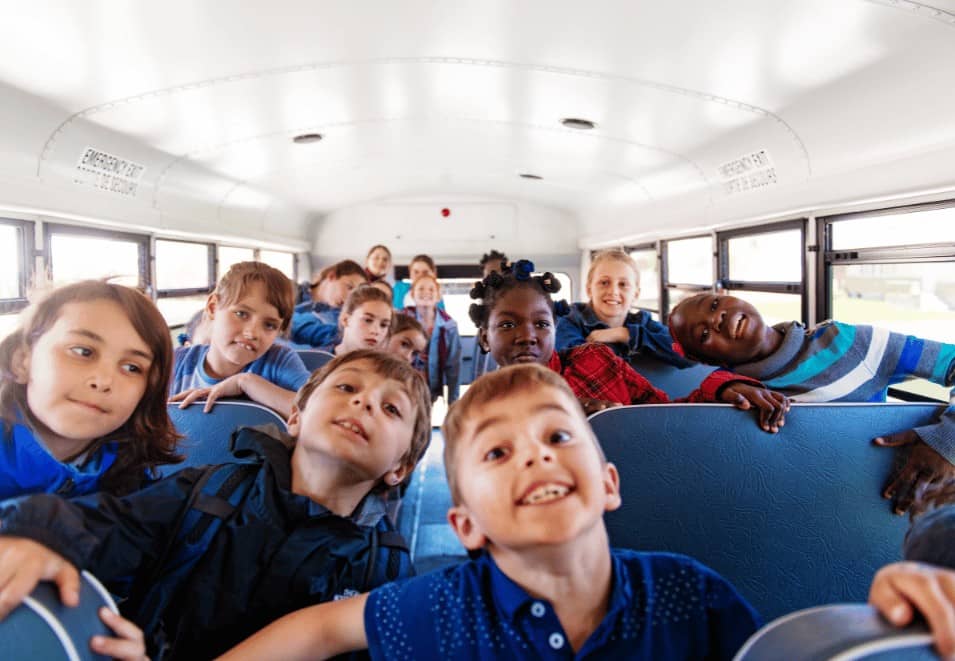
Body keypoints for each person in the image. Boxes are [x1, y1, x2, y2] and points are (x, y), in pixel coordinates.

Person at [219, 363, 761, 660]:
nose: (535, 453)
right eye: (498, 452)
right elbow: (319, 631)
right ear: (465, 525)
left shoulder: (688, 594)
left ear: (608, 483)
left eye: (558, 434)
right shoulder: (441, 608)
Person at [0, 350, 432, 660]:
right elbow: (106, 527)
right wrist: (38, 534)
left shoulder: (386, 570)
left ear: (400, 468)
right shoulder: (206, 492)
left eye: (391, 408)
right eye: (346, 387)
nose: (365, 402)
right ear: (296, 416)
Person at [667, 292, 955, 513]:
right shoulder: (729, 396)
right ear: (707, 361)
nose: (716, 319)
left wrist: (947, 441)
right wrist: (720, 386)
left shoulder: (851, 343)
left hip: (882, 508)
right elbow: (669, 423)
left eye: (715, 305)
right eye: (704, 334)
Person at [470, 260, 789, 430]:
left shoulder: (594, 359)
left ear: (555, 328)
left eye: (541, 324)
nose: (528, 335)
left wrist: (721, 389)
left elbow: (664, 416)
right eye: (508, 325)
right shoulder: (482, 408)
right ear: (485, 337)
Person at [0, 280, 181, 500]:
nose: (103, 380)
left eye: (131, 368)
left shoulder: (131, 471)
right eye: (82, 351)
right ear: (21, 362)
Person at [170, 261, 310, 418]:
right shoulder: (177, 362)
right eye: (241, 314)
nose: (252, 333)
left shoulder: (279, 362)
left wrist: (246, 382)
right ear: (213, 307)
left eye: (269, 325)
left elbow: (319, 413)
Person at [556, 249, 693, 368]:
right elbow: (578, 363)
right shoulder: (569, 320)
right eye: (604, 283)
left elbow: (689, 354)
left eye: (623, 284)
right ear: (589, 289)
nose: (613, 291)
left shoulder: (642, 322)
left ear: (636, 294)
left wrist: (626, 334)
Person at [403, 274, 461, 404]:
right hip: (402, 386)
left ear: (438, 296)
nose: (426, 293)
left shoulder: (449, 325)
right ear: (412, 294)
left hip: (430, 389)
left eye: (431, 289)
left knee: (424, 422)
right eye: (421, 289)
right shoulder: (402, 318)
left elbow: (453, 366)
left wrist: (453, 402)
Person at [314, 285, 393, 356]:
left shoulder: (387, 370)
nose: (376, 331)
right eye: (368, 320)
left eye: (383, 325)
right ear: (345, 320)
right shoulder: (312, 359)